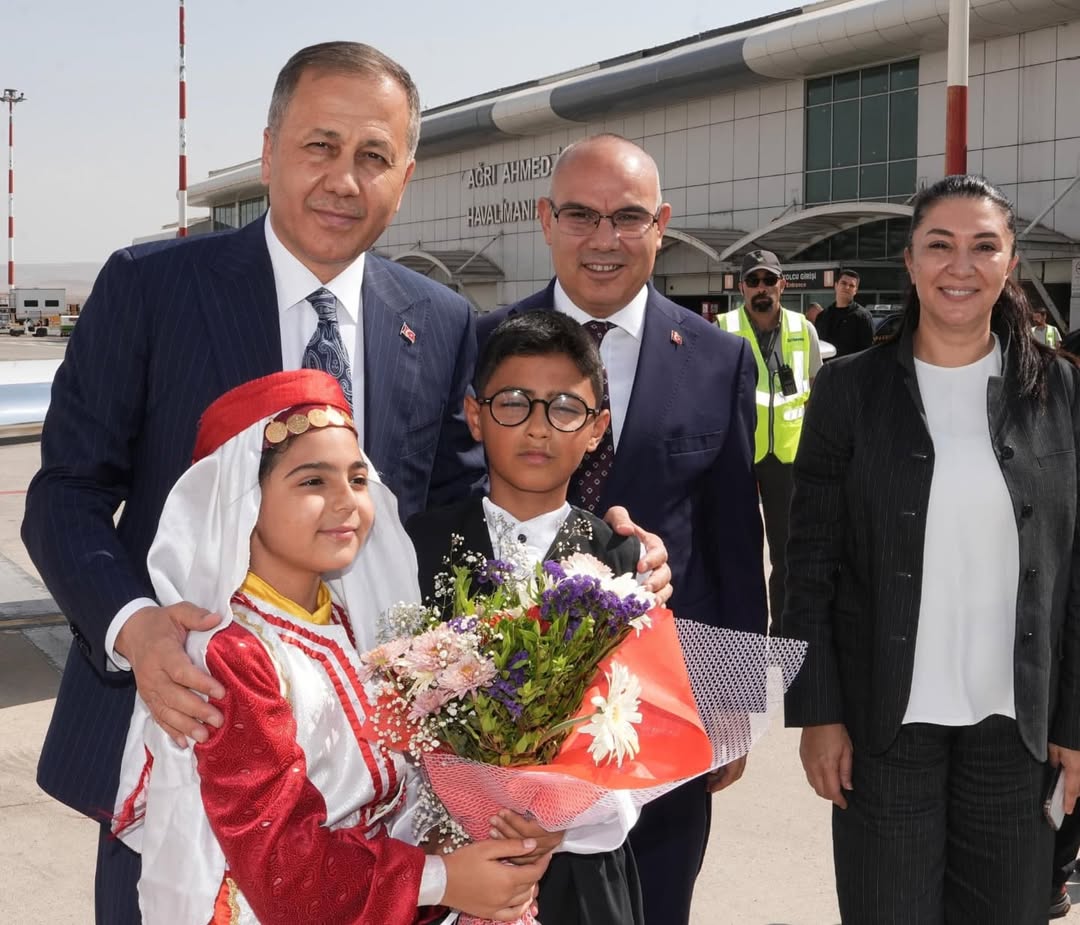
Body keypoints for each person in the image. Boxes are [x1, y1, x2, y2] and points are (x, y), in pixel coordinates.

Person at [22, 43, 669, 923]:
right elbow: (65, 492)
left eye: (373, 157)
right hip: (177, 737)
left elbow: (471, 519)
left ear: (406, 175)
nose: (342, 180)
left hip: (378, 787)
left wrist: (597, 560)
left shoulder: (440, 322)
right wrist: (136, 632)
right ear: (268, 150)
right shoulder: (152, 288)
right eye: (319, 147)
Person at [112, 369, 556, 924]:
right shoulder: (230, 656)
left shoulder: (346, 624)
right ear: (243, 501)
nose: (346, 502)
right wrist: (447, 880)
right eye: (312, 482)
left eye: (357, 478)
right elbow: (279, 865)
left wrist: (482, 844)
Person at [476, 133, 768, 925]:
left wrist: (734, 704)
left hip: (661, 731)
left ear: (661, 224)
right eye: (580, 214)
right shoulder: (487, 345)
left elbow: (734, 539)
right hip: (505, 731)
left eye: (627, 217)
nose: (604, 239)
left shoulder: (717, 358)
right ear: (546, 219)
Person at [784, 174, 1080, 924]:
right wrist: (817, 711)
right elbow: (809, 563)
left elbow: (1076, 573)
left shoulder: (1059, 394)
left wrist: (1075, 727)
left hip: (1015, 734)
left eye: (985, 246)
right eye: (939, 245)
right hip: (883, 728)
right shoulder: (848, 391)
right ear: (910, 262)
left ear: (1011, 261)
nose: (961, 266)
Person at [408, 309, 645, 925]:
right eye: (514, 402)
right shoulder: (419, 544)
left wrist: (563, 825)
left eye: (564, 408)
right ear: (475, 414)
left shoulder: (621, 561)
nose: (538, 428)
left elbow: (639, 741)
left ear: (597, 430)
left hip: (581, 872)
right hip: (449, 863)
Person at [717, 251, 822, 632]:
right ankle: (742, 629)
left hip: (788, 459)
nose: (761, 288)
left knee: (785, 553)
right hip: (739, 457)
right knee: (739, 550)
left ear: (782, 284)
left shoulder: (803, 329)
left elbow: (815, 395)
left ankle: (782, 631)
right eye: (753, 281)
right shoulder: (723, 328)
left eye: (768, 280)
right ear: (742, 287)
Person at [815, 268, 873, 357]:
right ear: (836, 285)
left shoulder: (863, 317)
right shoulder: (823, 316)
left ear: (855, 291)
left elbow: (867, 352)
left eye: (851, 285)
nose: (847, 287)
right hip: (826, 369)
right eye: (844, 283)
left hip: (851, 369)